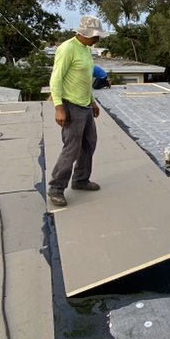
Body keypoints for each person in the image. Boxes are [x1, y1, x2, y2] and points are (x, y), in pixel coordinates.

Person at [47, 15, 106, 208]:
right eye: (96, 35)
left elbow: (86, 79)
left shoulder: (86, 50)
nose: (98, 39)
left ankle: (80, 180)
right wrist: (58, 107)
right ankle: (56, 188)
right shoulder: (67, 49)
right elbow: (55, 80)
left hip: (85, 105)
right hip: (70, 105)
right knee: (71, 148)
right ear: (85, 33)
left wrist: (93, 102)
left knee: (89, 143)